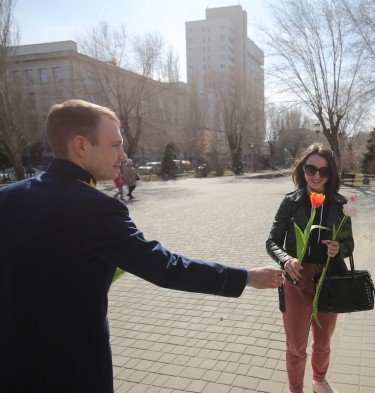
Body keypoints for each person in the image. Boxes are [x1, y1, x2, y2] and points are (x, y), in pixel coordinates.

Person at [0, 99, 284, 393]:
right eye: (115, 145)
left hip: (11, 362)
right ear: (81, 146)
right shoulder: (95, 209)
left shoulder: (8, 198)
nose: (123, 155)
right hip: (71, 367)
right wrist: (247, 277)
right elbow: (166, 268)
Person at [266, 143, 354, 393]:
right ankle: (296, 390)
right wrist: (285, 259)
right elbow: (272, 241)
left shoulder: (339, 204)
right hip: (296, 280)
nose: (316, 176)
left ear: (331, 174)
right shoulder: (290, 203)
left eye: (324, 171)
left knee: (323, 342)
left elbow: (349, 242)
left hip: (329, 279)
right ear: (302, 169)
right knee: (295, 345)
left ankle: (318, 381)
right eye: (311, 168)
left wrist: (340, 248)